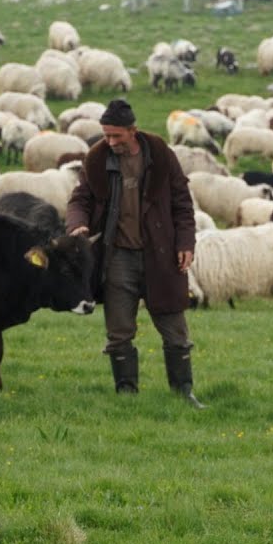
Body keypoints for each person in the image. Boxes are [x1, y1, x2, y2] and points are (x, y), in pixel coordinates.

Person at [66, 99, 203, 407]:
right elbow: (79, 200)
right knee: (119, 330)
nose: (110, 142)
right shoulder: (97, 160)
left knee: (174, 328)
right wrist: (77, 226)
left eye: (117, 136)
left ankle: (183, 393)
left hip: (161, 254)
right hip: (118, 258)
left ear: (133, 131)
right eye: (106, 135)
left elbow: (182, 202)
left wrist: (185, 243)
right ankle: (126, 395)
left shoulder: (160, 156)